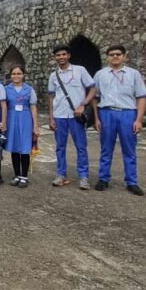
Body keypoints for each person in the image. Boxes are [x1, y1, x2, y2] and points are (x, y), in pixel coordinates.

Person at [92, 45, 146, 196]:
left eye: (118, 54)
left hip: (127, 113)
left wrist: (139, 120)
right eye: (111, 54)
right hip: (107, 113)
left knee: (129, 149)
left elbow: (141, 97)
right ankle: (103, 178)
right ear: (107, 57)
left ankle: (132, 181)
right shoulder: (100, 75)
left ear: (124, 56)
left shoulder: (134, 74)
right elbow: (95, 97)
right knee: (106, 148)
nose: (115, 57)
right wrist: (96, 118)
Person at [47, 45, 97, 190]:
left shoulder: (80, 70)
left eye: (63, 54)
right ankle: (61, 174)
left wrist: (83, 104)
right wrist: (51, 117)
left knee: (81, 147)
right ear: (55, 57)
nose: (61, 57)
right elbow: (51, 97)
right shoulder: (53, 75)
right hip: (59, 115)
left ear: (69, 55)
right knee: (60, 147)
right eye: (58, 55)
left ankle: (83, 177)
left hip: (76, 115)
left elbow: (93, 89)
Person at [4, 66, 39, 188]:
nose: (16, 76)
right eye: (13, 74)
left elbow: (33, 107)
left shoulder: (29, 89)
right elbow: (3, 106)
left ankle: (24, 176)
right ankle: (17, 174)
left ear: (23, 75)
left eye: (19, 73)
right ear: (10, 75)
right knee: (14, 147)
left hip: (25, 119)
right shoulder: (6, 89)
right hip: (11, 118)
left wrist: (36, 125)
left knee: (25, 147)